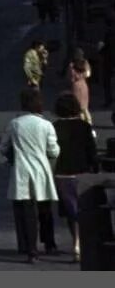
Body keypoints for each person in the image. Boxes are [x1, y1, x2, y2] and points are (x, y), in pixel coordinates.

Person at [0, 87, 60, 262]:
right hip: (41, 171)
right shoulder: (46, 125)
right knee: (44, 209)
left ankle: (30, 248)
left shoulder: (14, 124)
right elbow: (54, 151)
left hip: (22, 171)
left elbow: (4, 147)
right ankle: (49, 243)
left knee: (27, 211)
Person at [52, 91, 98, 263]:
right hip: (82, 172)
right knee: (84, 209)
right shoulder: (85, 127)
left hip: (62, 173)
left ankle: (76, 242)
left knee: (70, 212)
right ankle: (84, 243)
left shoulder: (54, 126)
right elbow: (91, 152)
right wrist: (95, 169)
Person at [66, 47, 93, 125]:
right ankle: (89, 124)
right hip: (84, 85)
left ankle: (83, 126)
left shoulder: (72, 65)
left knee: (79, 109)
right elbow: (88, 74)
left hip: (76, 87)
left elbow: (71, 77)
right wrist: (82, 76)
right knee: (85, 108)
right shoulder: (85, 63)